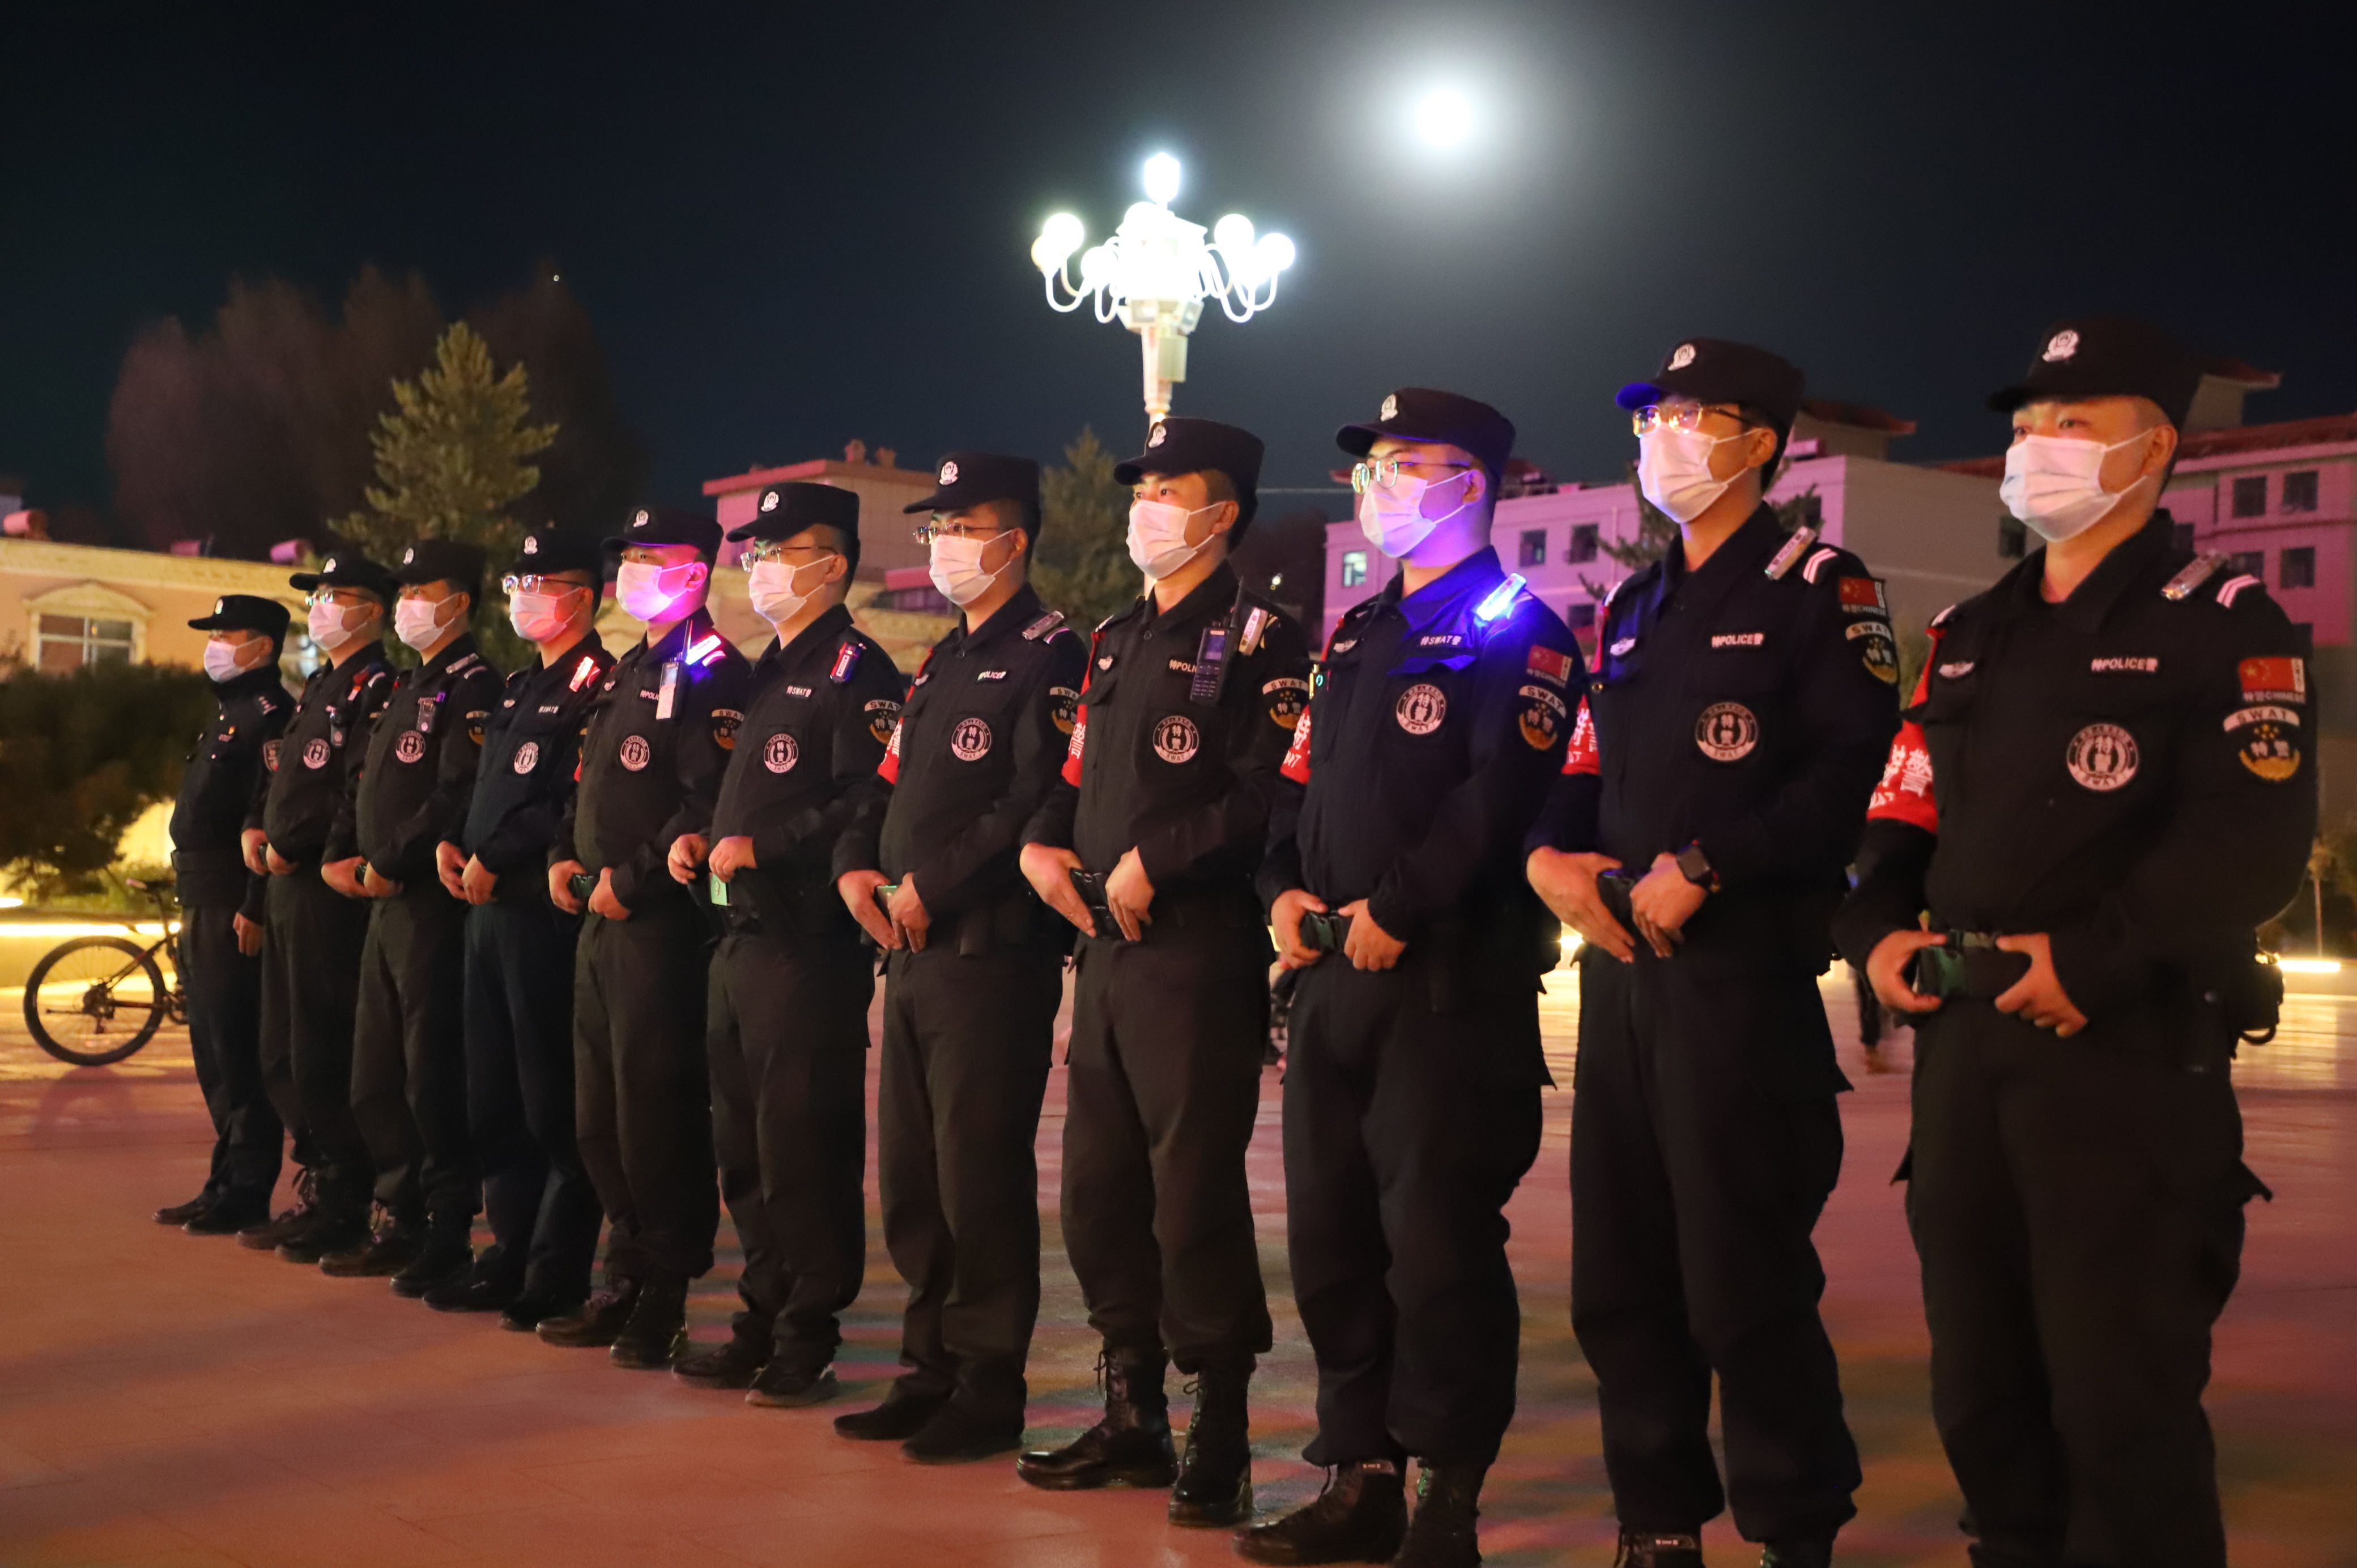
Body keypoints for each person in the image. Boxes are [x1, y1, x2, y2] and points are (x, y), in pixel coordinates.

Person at [1834, 317, 2312, 1568]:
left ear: (2152, 452)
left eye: (2072, 424)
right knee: (1981, 1394)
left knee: (2119, 1402)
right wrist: (1874, 930)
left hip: (2124, 1062)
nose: (2034, 446)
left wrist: (2090, 960)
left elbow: (2249, 843)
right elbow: (1902, 806)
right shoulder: (1973, 632)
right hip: (1965, 1062)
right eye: (2025, 424)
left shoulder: (2224, 622)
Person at [1525, 340, 1894, 1568]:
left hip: (1741, 989)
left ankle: (1795, 1528)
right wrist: (1548, 855)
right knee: (1620, 1280)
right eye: (1652, 416)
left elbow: (1846, 774)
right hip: (1624, 984)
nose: (1662, 437)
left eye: (1691, 414)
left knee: (1744, 1284)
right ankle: (1658, 1524)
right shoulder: (1636, 604)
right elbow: (1585, 762)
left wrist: (1711, 863)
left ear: (1759, 443)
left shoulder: (1819, 588)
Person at [1246, 389, 1578, 1568]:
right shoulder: (1357, 633)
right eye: (1371, 465)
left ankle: (1446, 1490)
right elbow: (1297, 782)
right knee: (1333, 1240)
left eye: (1405, 463)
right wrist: (1280, 888)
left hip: (1445, 989)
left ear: (1472, 483)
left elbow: (1501, 798)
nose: (1378, 484)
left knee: (1436, 1249)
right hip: (1331, 980)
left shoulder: (1518, 626)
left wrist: (1398, 907)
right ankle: (1361, 1474)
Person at [1015, 417, 1303, 1523]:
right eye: (1140, 488)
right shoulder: (1116, 638)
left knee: (1193, 1195)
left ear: (1222, 513)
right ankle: (1129, 1408)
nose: (1144, 506)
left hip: (1195, 951)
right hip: (1104, 952)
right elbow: (1076, 772)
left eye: (1166, 490)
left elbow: (1268, 789)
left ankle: (1218, 1425)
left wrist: (1160, 860)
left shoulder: (1263, 638)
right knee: (1098, 1191)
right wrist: (1041, 845)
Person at [830, 451, 1087, 1463]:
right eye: (935, 529)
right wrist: (856, 865)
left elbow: (1032, 800)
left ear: (1013, 541)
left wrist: (932, 885)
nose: (942, 545)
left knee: (977, 1173)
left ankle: (988, 1382)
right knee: (914, 1177)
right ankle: (927, 1365)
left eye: (961, 528)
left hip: (989, 956)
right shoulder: (942, 659)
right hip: (912, 951)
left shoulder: (1051, 654)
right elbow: (890, 783)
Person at [664, 481, 903, 1408]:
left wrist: (770, 844)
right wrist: (702, 839)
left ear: (831, 564)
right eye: (755, 550)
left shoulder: (857, 671)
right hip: (739, 938)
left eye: (778, 550)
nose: (759, 565)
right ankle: (761, 1314)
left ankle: (808, 1331)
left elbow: (867, 798)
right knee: (746, 1149)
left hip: (807, 947)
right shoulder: (768, 669)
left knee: (804, 1146)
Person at [541, 504, 749, 1369]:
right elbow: (587, 783)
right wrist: (563, 853)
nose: (631, 572)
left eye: (650, 558)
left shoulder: (712, 670)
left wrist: (631, 880)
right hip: (598, 922)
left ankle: (663, 1288)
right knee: (599, 1115)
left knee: (656, 1111)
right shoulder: (630, 669)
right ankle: (623, 1272)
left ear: (695, 573)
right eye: (627, 557)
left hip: (658, 929)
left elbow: (708, 799)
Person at [427, 527, 615, 1328]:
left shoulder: (597, 685)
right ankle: (506, 1252)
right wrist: (455, 842)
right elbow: (490, 787)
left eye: (542, 583)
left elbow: (567, 803)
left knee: (550, 1098)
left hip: (540, 913)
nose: (525, 597)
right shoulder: (518, 686)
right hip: (485, 911)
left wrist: (497, 856)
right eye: (519, 582)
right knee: (494, 1094)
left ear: (583, 597)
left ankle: (554, 1268)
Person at [323, 539, 504, 1296]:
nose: (406, 606)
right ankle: (397, 1214)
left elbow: (456, 791)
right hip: (384, 904)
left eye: (420, 592)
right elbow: (365, 780)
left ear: (459, 601)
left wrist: (391, 860)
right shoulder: (407, 684)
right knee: (377, 1073)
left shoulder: (473, 684)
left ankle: (445, 1224)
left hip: (427, 903)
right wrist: (342, 852)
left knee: (432, 1073)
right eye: (401, 593)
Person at [238, 551, 397, 1265]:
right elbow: (282, 779)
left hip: (322, 886)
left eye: (336, 595)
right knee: (282, 1044)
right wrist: (257, 828)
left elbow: (353, 789)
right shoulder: (317, 684)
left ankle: (344, 1193)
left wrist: (301, 846)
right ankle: (317, 1177)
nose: (320, 607)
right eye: (316, 595)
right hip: (283, 881)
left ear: (372, 609)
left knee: (322, 1041)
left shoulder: (376, 685)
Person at [156, 594, 293, 1236]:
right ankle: (224, 1180)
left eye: (227, 633)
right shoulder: (230, 714)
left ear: (262, 646)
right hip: (200, 893)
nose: (215, 645)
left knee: (239, 1052)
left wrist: (253, 904)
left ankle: (246, 1188)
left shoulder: (270, 716)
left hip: (230, 899)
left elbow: (267, 816)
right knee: (212, 1052)